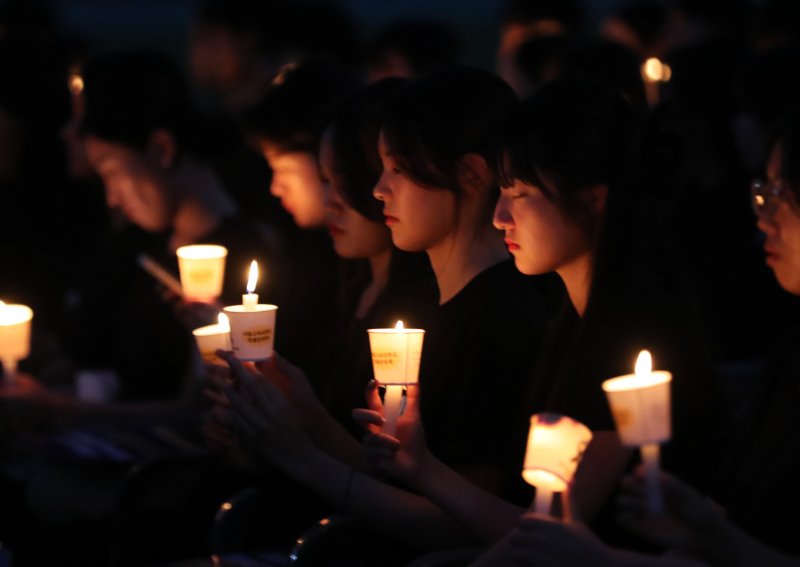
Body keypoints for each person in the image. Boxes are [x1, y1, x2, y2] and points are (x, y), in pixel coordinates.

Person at [350, 79, 720, 564]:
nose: (500, 216)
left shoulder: (634, 342)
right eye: (501, 190)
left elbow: (556, 530)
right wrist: (420, 467)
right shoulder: (573, 321)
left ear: (591, 201)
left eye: (520, 193)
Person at [216, 66, 550, 557]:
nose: (379, 190)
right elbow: (394, 475)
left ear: (471, 174)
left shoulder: (502, 317)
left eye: (398, 168)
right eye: (379, 169)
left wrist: (302, 455)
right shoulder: (422, 303)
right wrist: (303, 412)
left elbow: (457, 522)